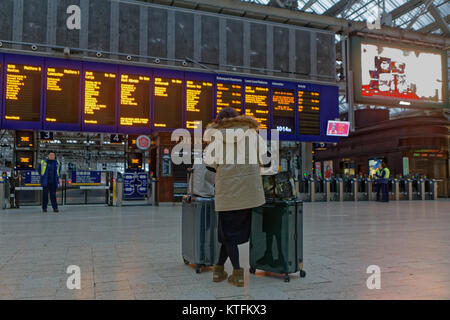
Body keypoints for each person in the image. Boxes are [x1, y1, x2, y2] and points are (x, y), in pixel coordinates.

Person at [205, 107, 265, 287]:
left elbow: (209, 165)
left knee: (227, 234)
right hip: (248, 192)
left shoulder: (216, 137)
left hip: (228, 192)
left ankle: (237, 273)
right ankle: (218, 269)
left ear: (219, 120)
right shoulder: (252, 134)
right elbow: (266, 159)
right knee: (229, 234)